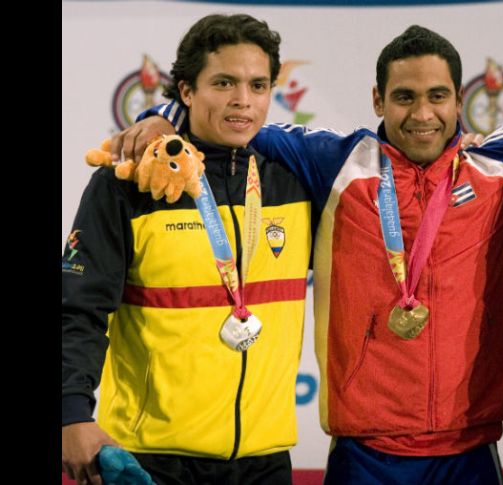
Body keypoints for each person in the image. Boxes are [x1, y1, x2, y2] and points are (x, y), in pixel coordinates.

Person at [114, 24, 503, 484]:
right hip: (366, 455)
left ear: (460, 99)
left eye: (438, 96)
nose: (423, 114)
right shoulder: (336, 162)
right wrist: (155, 116)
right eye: (404, 96)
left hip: (471, 449)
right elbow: (232, 123)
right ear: (378, 97)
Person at [61, 14, 314, 485]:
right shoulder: (130, 183)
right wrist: (71, 413)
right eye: (224, 83)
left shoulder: (295, 180)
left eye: (258, 85)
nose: (243, 101)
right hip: (150, 460)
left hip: (266, 462)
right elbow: (78, 309)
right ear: (185, 92)